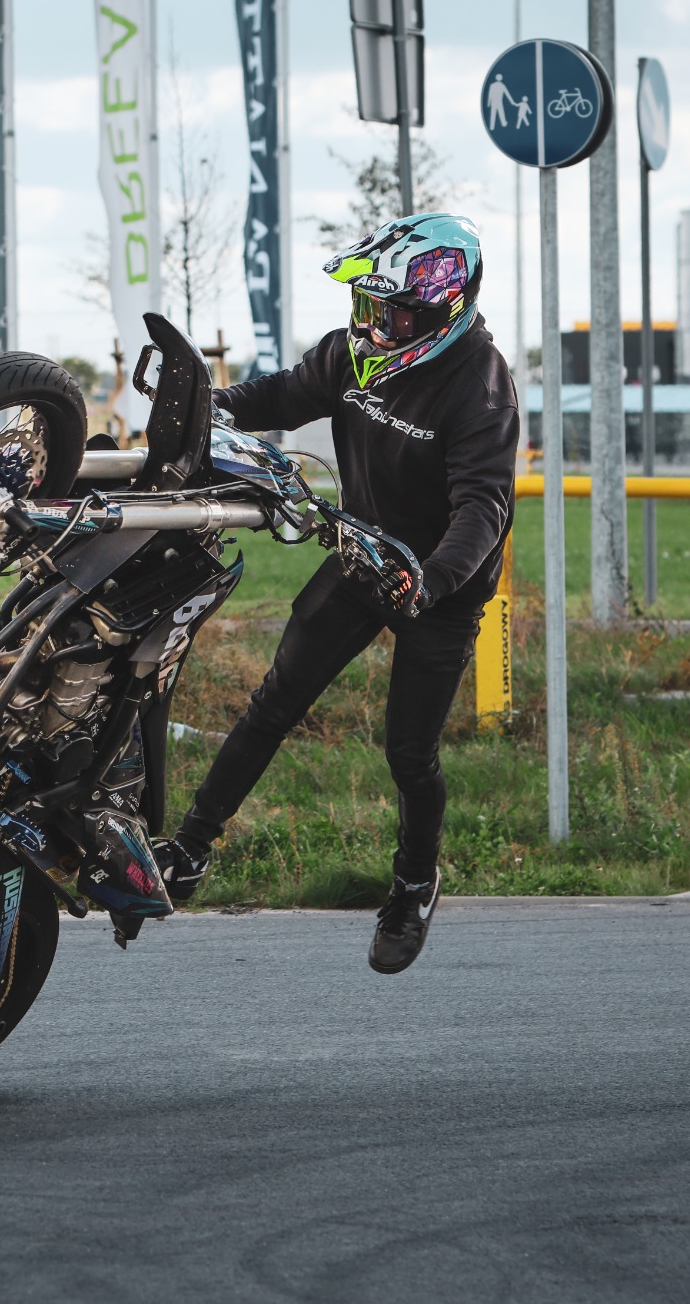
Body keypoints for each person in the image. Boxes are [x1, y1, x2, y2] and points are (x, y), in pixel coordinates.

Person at [155, 213, 518, 975]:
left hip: (438, 588)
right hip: (363, 552)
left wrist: (432, 580)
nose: (372, 325)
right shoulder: (353, 355)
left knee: (409, 752)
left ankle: (415, 883)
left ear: (441, 309)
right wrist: (204, 409)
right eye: (366, 307)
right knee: (273, 702)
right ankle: (189, 849)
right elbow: (279, 397)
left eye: (389, 312)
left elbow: (483, 509)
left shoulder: (481, 387)